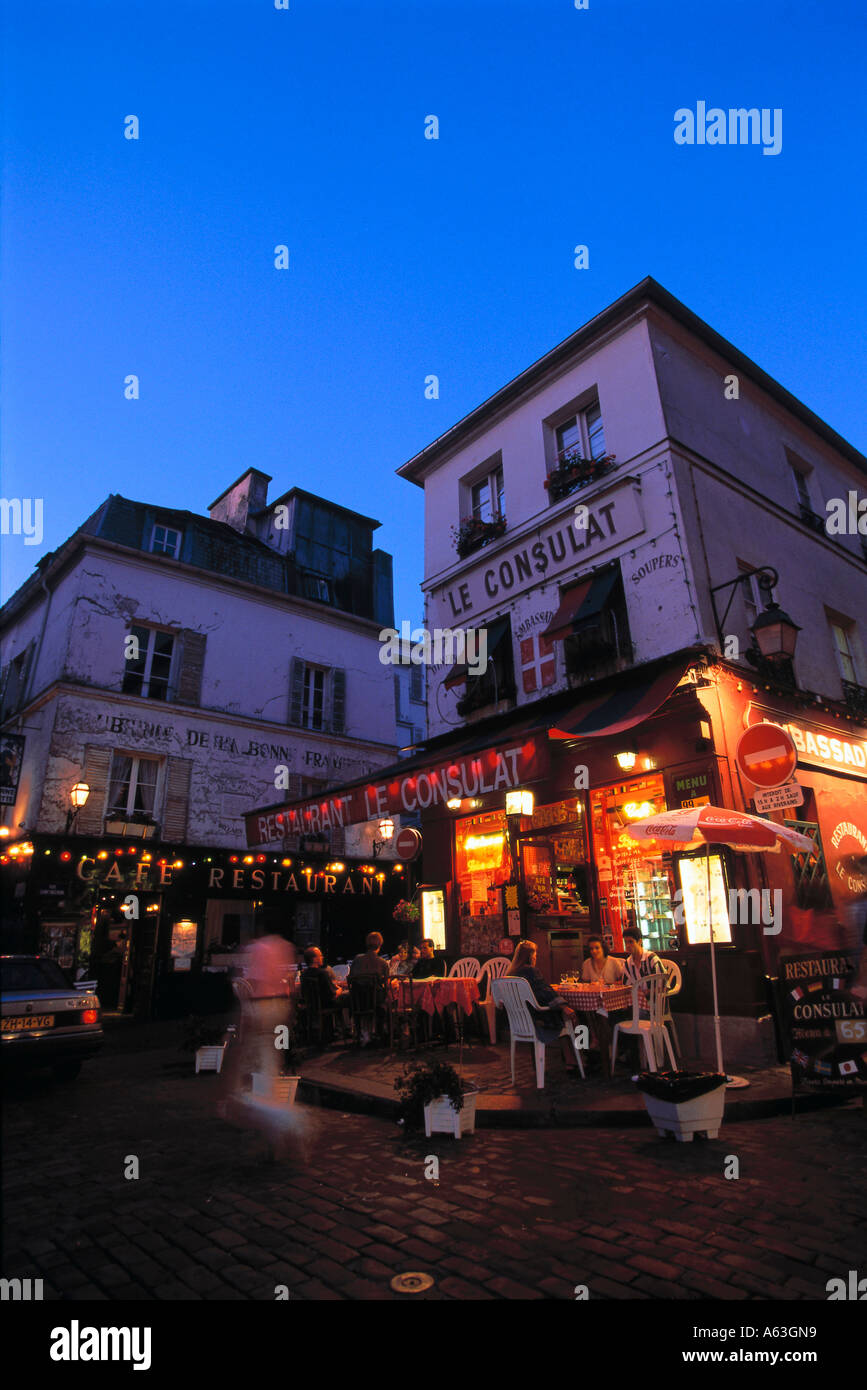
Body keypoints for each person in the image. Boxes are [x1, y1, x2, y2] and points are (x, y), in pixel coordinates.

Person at [507, 939, 580, 1071]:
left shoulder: (511, 974)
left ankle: (570, 1059)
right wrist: (563, 1006)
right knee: (575, 1017)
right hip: (539, 1019)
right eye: (535, 954)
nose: (536, 957)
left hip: (521, 1021)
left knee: (563, 1017)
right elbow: (544, 992)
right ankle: (581, 1054)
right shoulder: (530, 971)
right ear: (530, 956)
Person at [241, 932, 296, 1088]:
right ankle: (279, 1070)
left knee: (261, 1041)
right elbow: (286, 978)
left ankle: (262, 1080)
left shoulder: (256, 947)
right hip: (280, 1002)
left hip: (263, 1002)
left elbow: (254, 980)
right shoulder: (285, 946)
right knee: (279, 1038)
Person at [349, 931, 389, 1043]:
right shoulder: (382, 963)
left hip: (358, 1001)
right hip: (374, 1001)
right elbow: (385, 983)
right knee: (387, 1001)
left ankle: (361, 1033)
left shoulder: (357, 959)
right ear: (380, 945)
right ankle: (381, 1033)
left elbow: (351, 977)